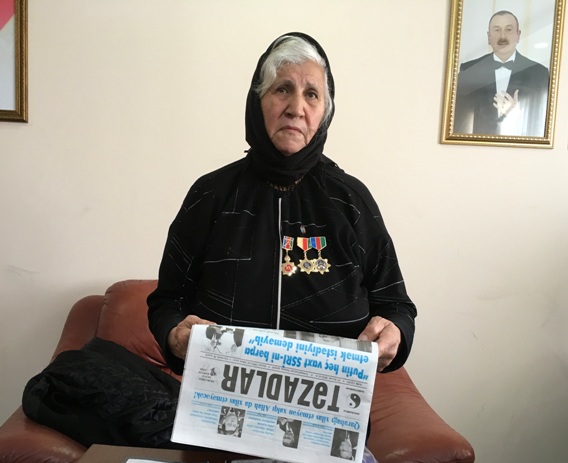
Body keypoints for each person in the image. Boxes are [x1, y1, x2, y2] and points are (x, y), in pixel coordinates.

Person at [147, 32, 416, 379]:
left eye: (311, 94)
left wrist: (395, 330)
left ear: (325, 113)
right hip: (220, 401)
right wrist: (173, 333)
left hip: (328, 405)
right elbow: (167, 301)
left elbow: (396, 305)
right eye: (283, 89)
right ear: (257, 102)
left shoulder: (351, 201)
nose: (296, 108)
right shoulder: (210, 194)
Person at [454, 10, 549, 136]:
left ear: (518, 35)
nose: (502, 36)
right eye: (497, 30)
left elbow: (541, 122)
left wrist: (516, 114)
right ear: (489, 37)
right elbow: (459, 120)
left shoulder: (539, 73)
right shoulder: (469, 69)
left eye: (508, 30)